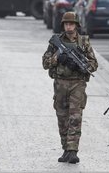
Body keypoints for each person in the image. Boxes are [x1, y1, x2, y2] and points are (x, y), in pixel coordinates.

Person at [42, 12, 98, 164]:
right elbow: (45, 63)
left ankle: (73, 150)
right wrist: (57, 58)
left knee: (75, 116)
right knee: (62, 117)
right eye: (66, 24)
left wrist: (82, 66)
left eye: (71, 23)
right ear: (63, 25)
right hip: (60, 84)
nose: (69, 26)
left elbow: (94, 65)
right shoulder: (56, 42)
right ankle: (66, 149)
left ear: (76, 25)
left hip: (77, 84)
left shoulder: (84, 42)